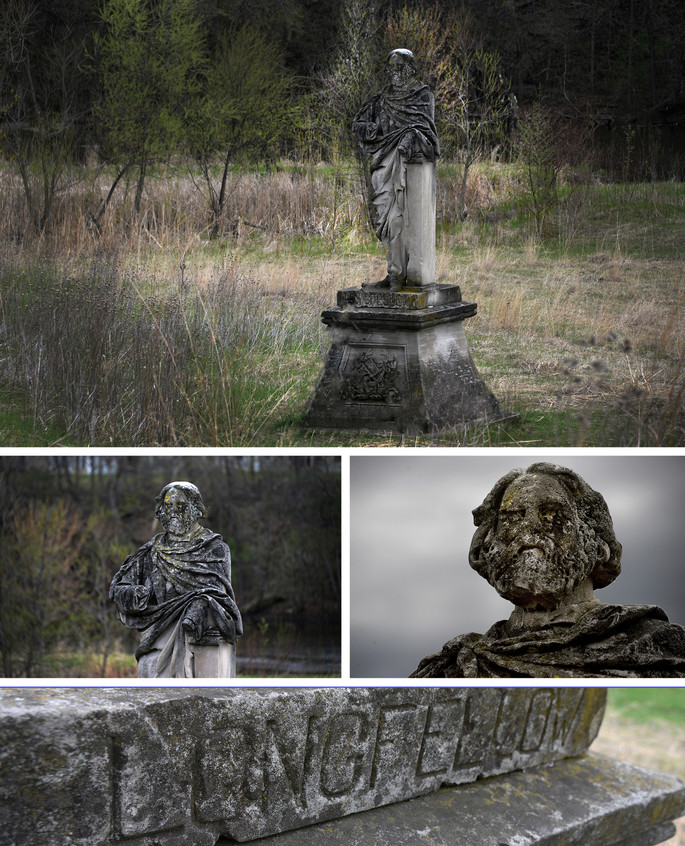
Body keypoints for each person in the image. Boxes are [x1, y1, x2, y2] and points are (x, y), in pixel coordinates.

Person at [411, 463, 685, 678]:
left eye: (551, 514)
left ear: (596, 541)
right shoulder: (456, 665)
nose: (530, 527)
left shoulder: (656, 647)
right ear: (488, 546)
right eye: (512, 518)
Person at [110, 481, 242, 678]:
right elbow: (119, 588)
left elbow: (220, 600)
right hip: (156, 644)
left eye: (180, 506)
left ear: (196, 509)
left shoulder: (215, 549)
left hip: (202, 644)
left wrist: (196, 605)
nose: (172, 511)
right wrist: (135, 594)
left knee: (204, 603)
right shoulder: (150, 553)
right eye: (168, 505)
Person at [353, 48, 439, 289]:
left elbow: (427, 132)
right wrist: (368, 128)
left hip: (406, 163)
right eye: (390, 67)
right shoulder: (381, 100)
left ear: (410, 68)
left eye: (398, 66)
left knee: (399, 216)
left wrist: (410, 137)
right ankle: (393, 272)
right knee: (385, 216)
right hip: (383, 162)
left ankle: (398, 275)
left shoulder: (422, 96)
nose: (393, 72)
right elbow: (357, 122)